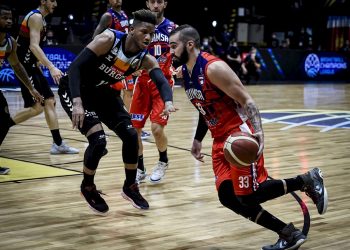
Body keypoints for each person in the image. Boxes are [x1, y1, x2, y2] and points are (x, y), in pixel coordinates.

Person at [169, 24, 328, 250]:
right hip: (219, 140)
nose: (170, 51)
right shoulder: (185, 72)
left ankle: (305, 183)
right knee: (227, 196)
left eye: (174, 46)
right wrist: (197, 139)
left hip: (237, 135)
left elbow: (248, 101)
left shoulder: (213, 68)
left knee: (248, 196)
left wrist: (259, 133)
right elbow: (205, 108)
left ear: (190, 44)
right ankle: (291, 230)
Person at [58, 9, 176, 213]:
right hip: (75, 88)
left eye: (151, 33)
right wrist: (77, 102)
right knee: (98, 140)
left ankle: (130, 186)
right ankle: (87, 186)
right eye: (143, 32)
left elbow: (161, 81)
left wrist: (168, 101)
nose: (148, 37)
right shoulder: (109, 39)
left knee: (131, 135)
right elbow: (75, 67)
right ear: (131, 30)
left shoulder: (146, 59)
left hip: (101, 92)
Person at [14, 0, 78, 154]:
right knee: (36, 108)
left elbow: (25, 43)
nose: (55, 3)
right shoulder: (35, 17)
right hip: (24, 68)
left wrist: (38, 64)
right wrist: (51, 67)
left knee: (50, 101)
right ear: (43, 1)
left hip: (31, 66)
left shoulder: (41, 18)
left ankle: (58, 144)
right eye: (52, 0)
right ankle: (3, 125)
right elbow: (33, 46)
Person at [129, 0, 177, 184]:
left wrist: (178, 67)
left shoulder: (173, 27)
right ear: (147, 4)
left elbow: (181, 51)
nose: (156, 5)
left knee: (156, 129)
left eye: (159, 1)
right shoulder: (138, 28)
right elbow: (130, 49)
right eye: (152, 1)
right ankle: (140, 168)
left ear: (165, 4)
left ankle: (163, 161)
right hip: (141, 82)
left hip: (162, 81)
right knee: (135, 130)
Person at [93, 0, 151, 140]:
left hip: (125, 56)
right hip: (116, 59)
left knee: (123, 91)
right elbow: (95, 37)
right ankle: (129, 124)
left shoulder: (124, 14)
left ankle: (125, 124)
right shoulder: (108, 16)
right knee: (127, 91)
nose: (117, 0)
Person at [0, 5, 44, 175]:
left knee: (4, 121)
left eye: (10, 17)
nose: (9, 20)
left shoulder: (10, 43)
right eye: (4, 17)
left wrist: (31, 89)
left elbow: (17, 66)